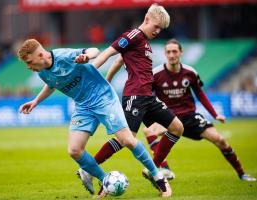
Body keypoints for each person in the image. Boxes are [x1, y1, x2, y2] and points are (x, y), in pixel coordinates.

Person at [17, 39, 171, 198]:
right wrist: (35, 101)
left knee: (128, 141)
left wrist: (86, 57)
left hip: (103, 98)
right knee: (74, 150)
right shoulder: (42, 72)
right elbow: (51, 84)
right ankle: (105, 181)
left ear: (41, 54)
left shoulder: (63, 55)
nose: (28, 66)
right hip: (83, 106)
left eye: (29, 62)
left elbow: (93, 50)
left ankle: (158, 177)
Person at [77, 3, 183, 195]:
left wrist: (107, 80)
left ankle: (154, 168)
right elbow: (110, 53)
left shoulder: (144, 42)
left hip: (148, 96)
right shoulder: (132, 36)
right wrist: (92, 76)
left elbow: (119, 61)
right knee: (127, 139)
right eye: (156, 27)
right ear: (147, 19)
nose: (158, 31)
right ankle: (89, 168)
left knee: (177, 128)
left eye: (161, 29)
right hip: (135, 96)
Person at [143, 39, 257, 181]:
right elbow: (146, 94)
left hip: (190, 117)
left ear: (181, 52)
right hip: (169, 117)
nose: (171, 55)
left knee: (220, 140)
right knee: (149, 131)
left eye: (174, 51)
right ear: (165, 54)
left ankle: (242, 174)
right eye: (168, 52)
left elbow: (200, 94)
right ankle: (162, 169)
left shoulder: (190, 72)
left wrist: (215, 114)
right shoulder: (156, 74)